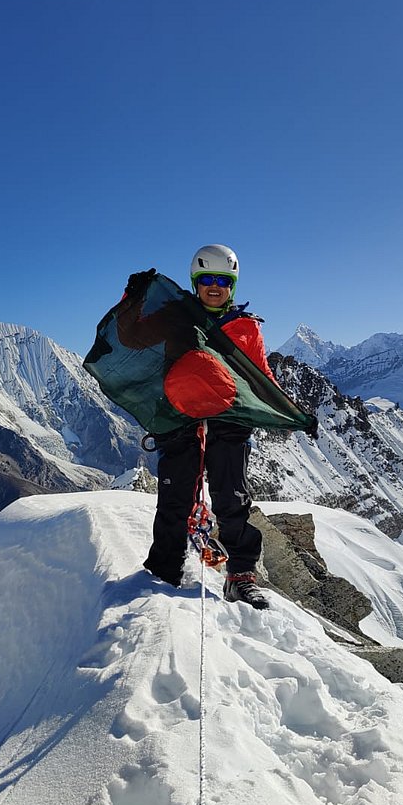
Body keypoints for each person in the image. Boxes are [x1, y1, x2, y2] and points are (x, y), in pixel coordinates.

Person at [117, 244, 274, 609]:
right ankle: (165, 568)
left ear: (232, 285)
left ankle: (241, 577)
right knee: (175, 495)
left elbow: (262, 376)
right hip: (180, 417)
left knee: (231, 496)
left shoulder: (246, 328)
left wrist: (290, 412)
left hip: (229, 420)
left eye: (223, 280)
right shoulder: (177, 315)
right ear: (195, 282)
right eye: (207, 279)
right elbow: (132, 337)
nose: (214, 287)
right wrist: (133, 298)